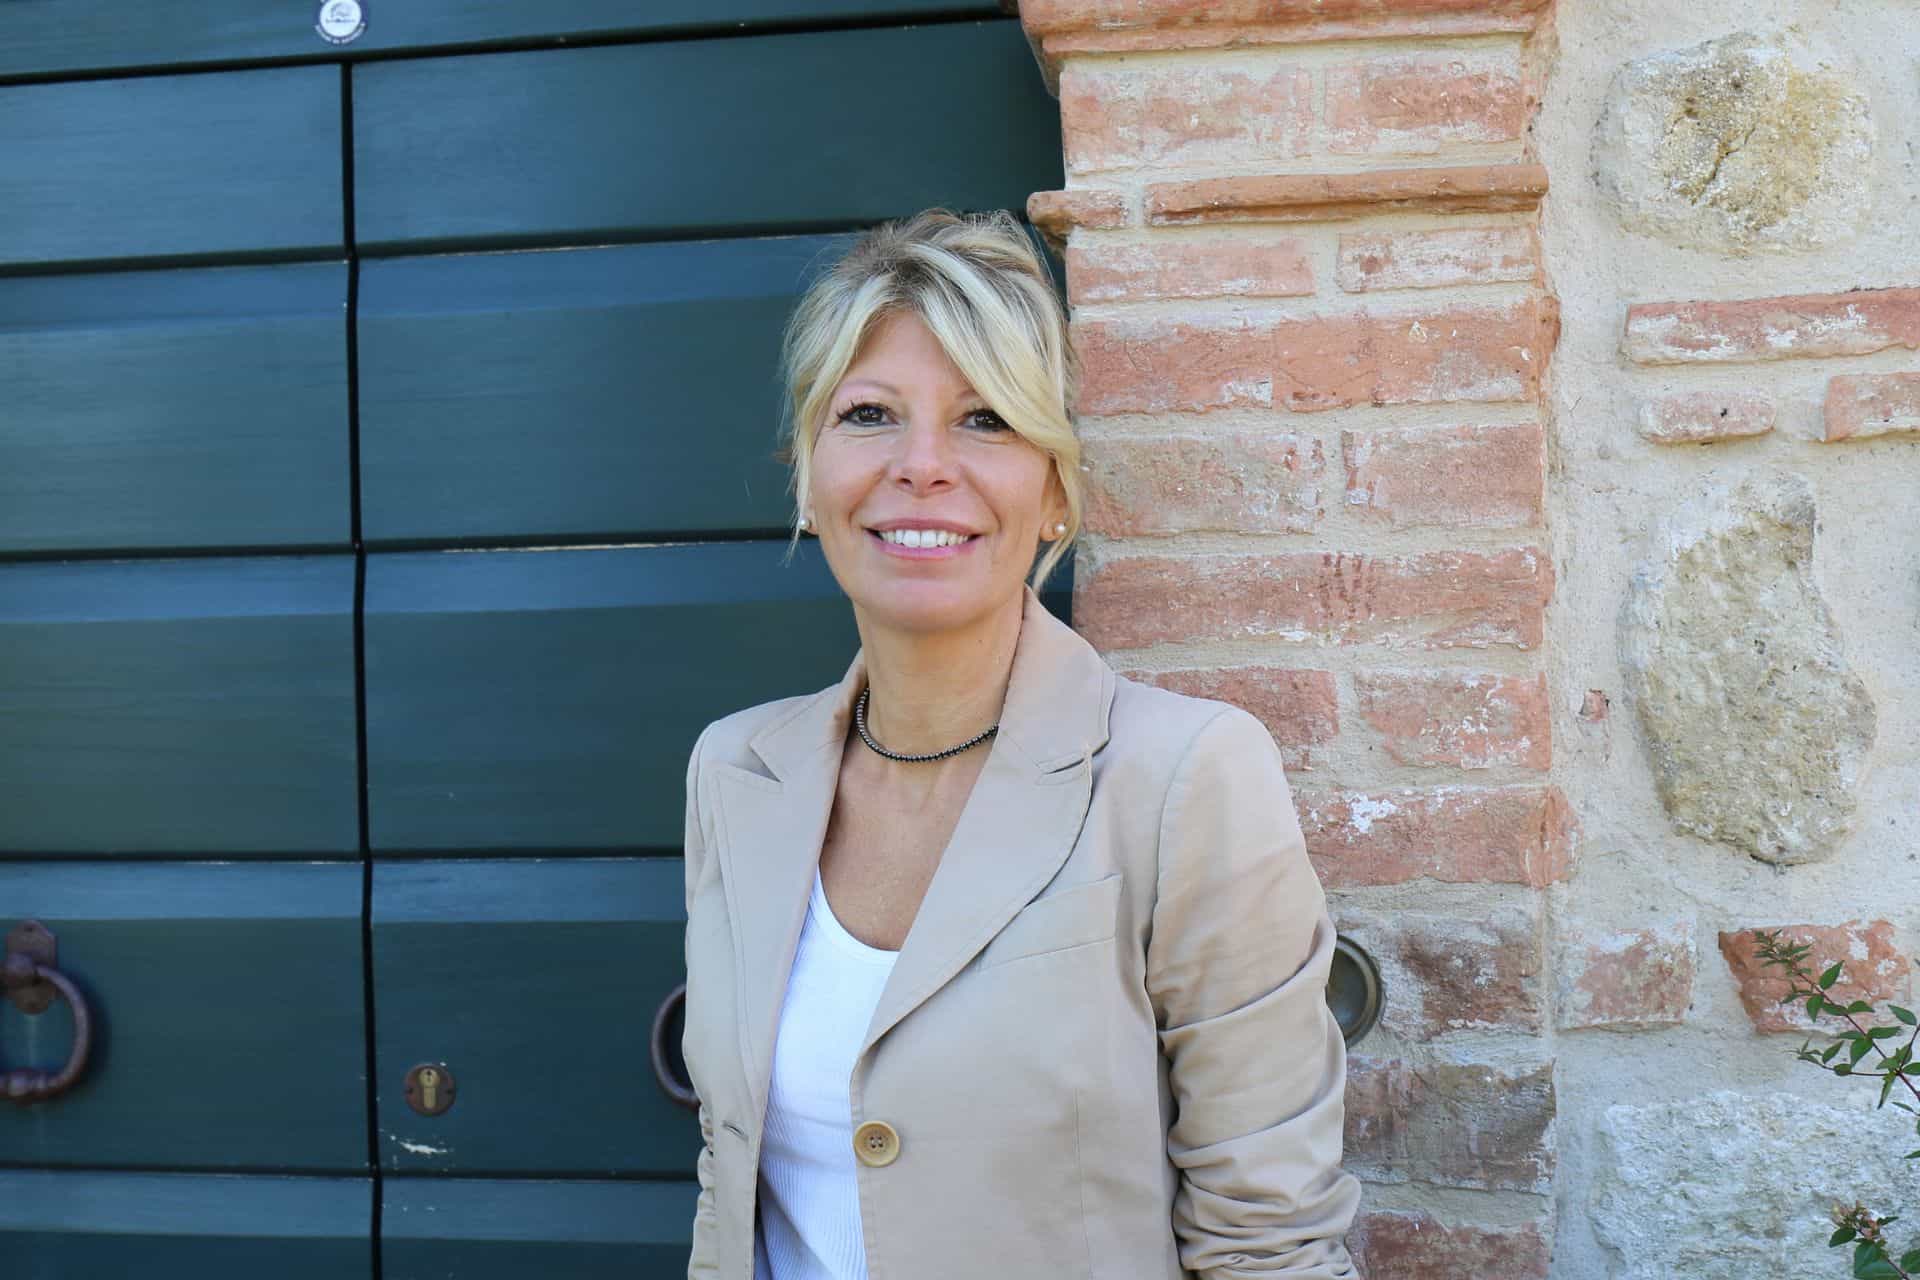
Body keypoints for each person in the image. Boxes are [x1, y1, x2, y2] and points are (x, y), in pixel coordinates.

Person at [679, 207, 1361, 1280]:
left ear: (1053, 492)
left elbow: (1268, 1243)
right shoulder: (734, 772)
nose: (922, 466)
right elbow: (732, 1188)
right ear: (808, 476)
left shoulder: (1184, 777)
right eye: (869, 414)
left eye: (987, 419)